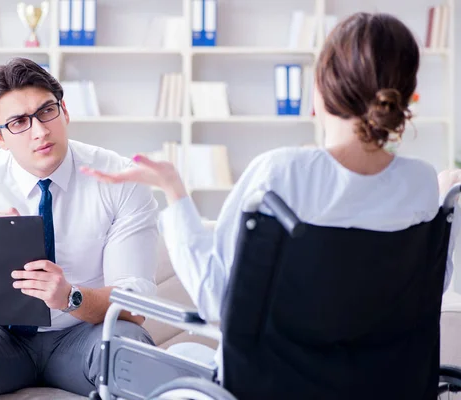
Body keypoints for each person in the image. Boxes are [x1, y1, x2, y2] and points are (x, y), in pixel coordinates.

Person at [82, 12, 459, 371]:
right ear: (406, 94)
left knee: (180, 352)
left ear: (323, 86)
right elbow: (427, 293)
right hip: (381, 385)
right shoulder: (423, 184)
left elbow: (216, 300)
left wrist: (173, 189)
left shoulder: (281, 174)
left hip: (275, 384)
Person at [0, 57, 159, 399]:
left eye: (46, 112)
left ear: (64, 111)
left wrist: (71, 296)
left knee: (130, 346)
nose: (39, 131)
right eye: (19, 122)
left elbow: (137, 305)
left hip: (82, 337)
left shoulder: (119, 180)